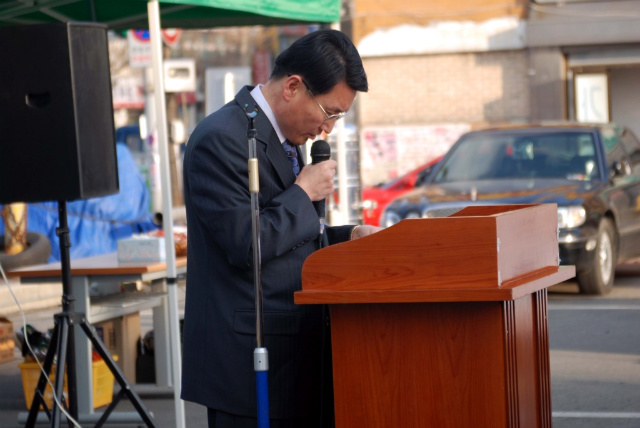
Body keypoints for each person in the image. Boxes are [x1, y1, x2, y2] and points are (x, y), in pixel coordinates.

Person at [181, 29, 381, 428]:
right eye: (330, 113)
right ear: (293, 87)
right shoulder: (221, 139)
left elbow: (298, 239)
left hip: (299, 356)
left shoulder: (288, 140)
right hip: (248, 362)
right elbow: (246, 243)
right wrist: (303, 192)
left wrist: (348, 236)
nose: (329, 130)